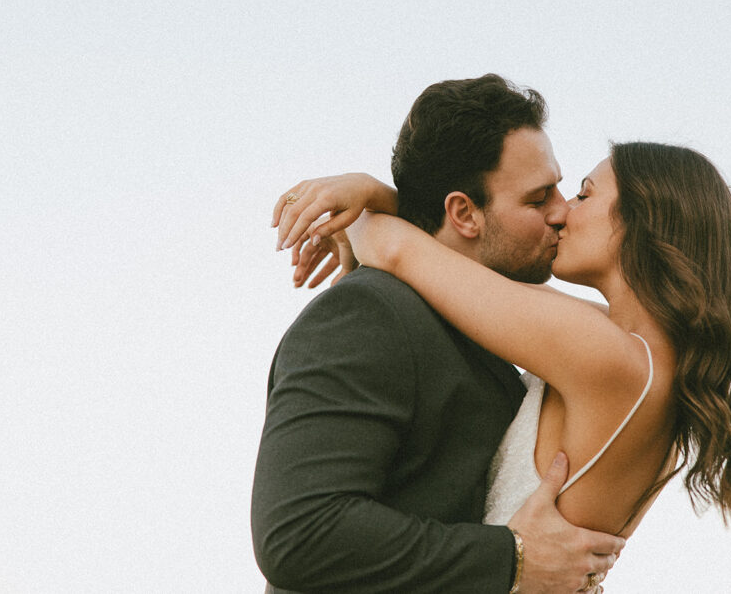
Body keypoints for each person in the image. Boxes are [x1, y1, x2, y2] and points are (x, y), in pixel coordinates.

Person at [278, 141, 731, 584]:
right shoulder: (639, 354)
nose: (562, 213)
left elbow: (401, 253)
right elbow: (461, 272)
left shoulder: (605, 355)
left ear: (641, 221)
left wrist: (360, 202)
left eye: (584, 195)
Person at [252, 74, 625, 594]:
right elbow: (299, 532)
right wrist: (511, 559)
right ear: (463, 213)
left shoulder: (491, 337)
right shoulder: (368, 313)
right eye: (539, 198)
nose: (562, 211)